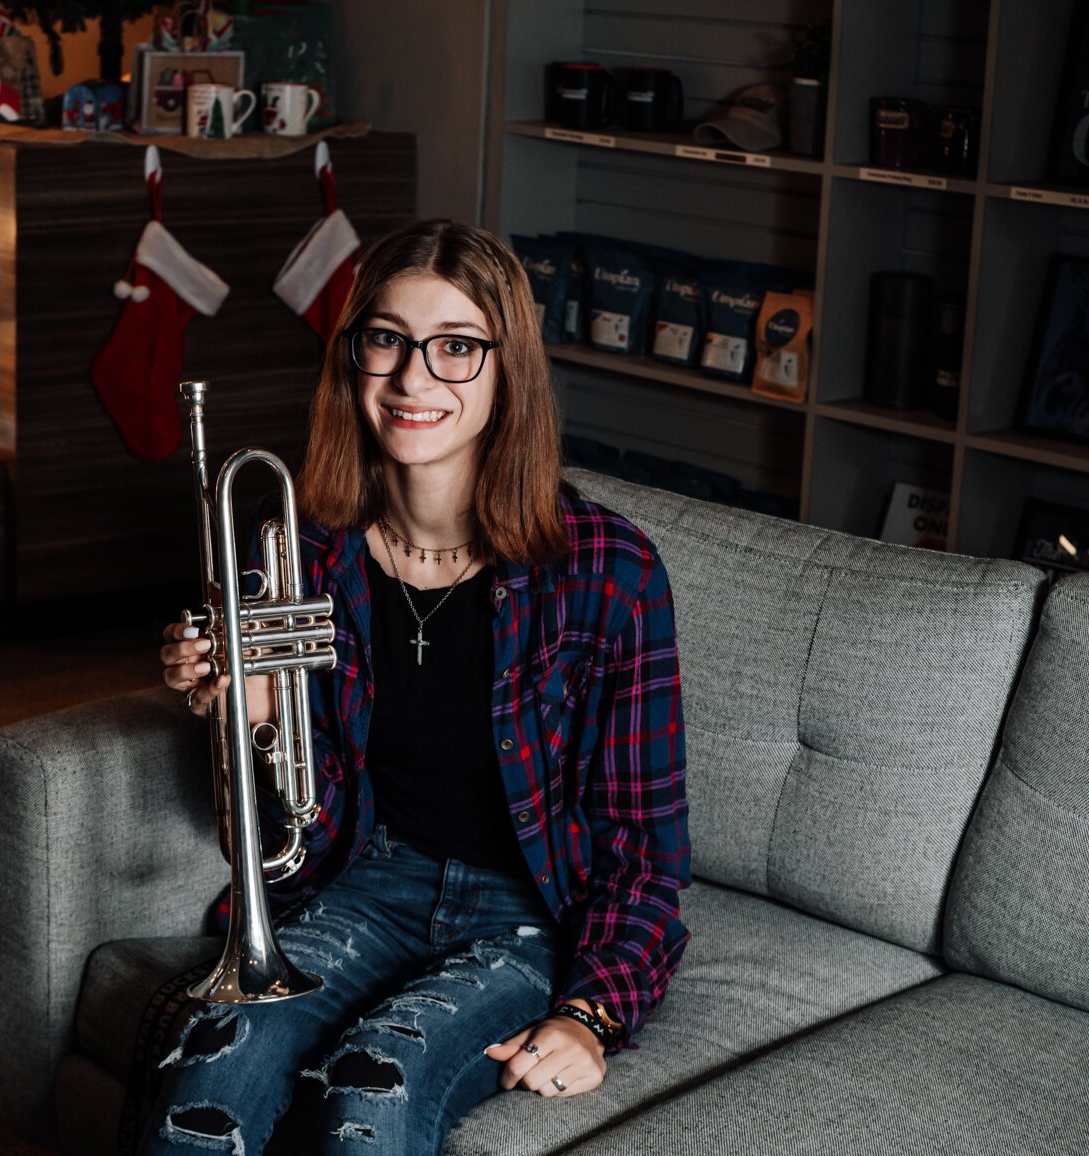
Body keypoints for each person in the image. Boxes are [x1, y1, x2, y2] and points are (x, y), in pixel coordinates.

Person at [149, 219, 688, 1155]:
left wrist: (597, 1014)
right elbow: (276, 825)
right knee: (201, 1079)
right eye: (386, 339)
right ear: (352, 357)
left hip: (525, 913)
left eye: (456, 348)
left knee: (368, 1103)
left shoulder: (610, 569)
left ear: (506, 368)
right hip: (361, 883)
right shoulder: (298, 548)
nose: (412, 378)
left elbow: (645, 846)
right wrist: (248, 713)